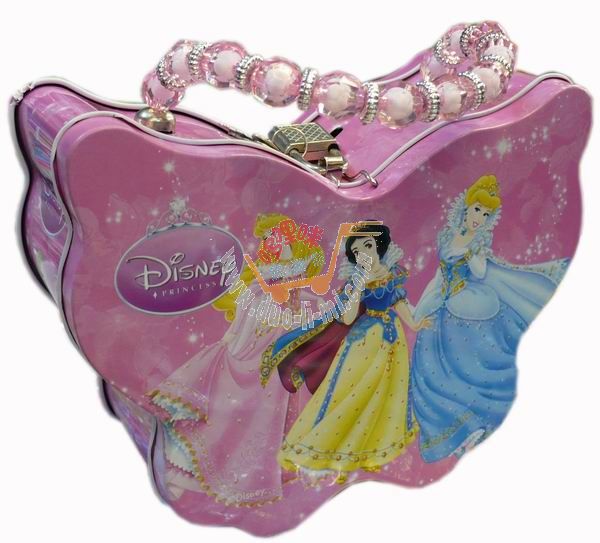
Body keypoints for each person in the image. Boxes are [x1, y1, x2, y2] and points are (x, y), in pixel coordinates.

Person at [147, 212, 324, 506]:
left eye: (276, 237)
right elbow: (249, 316)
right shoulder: (265, 281)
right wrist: (235, 342)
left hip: (277, 361)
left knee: (262, 420)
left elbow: (298, 312)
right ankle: (183, 473)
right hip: (256, 352)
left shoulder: (295, 283)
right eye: (268, 239)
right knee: (230, 412)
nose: (271, 243)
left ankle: (241, 476)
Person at [410, 175, 569, 462]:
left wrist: (471, 253)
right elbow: (439, 274)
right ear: (466, 208)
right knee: (429, 356)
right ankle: (454, 427)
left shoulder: (479, 241)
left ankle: (481, 418)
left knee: (475, 358)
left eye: (485, 214)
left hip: (471, 302)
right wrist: (421, 307)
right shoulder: (447, 236)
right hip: (444, 301)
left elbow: (481, 272)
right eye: (477, 210)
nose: (479, 218)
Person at [262, 224, 430, 482]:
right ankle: (336, 453)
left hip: (392, 340)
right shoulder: (356, 281)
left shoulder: (391, 273)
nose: (364, 254)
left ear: (379, 246)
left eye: (368, 246)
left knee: (386, 394)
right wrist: (358, 285)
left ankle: (372, 450)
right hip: (364, 342)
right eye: (357, 251)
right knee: (352, 394)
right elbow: (348, 317)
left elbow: (399, 302)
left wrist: (415, 324)